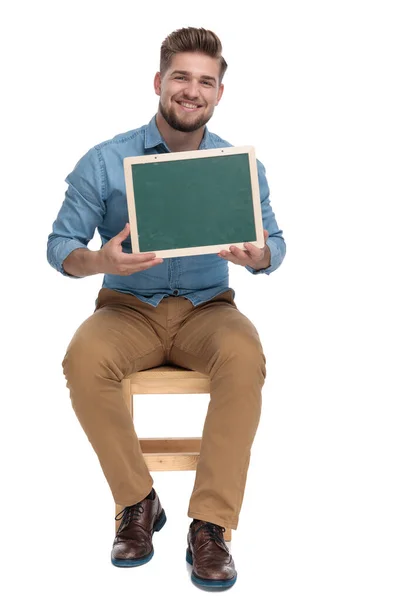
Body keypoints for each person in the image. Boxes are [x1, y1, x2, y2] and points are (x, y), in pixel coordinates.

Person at [47, 26, 286, 590]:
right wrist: (101, 260)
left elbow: (276, 244)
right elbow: (59, 248)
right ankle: (138, 502)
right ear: (159, 82)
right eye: (181, 76)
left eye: (206, 81)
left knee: (244, 356)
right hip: (127, 310)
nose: (191, 90)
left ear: (219, 94)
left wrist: (258, 256)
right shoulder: (105, 161)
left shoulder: (239, 166)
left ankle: (210, 527)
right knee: (82, 359)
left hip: (209, 309)